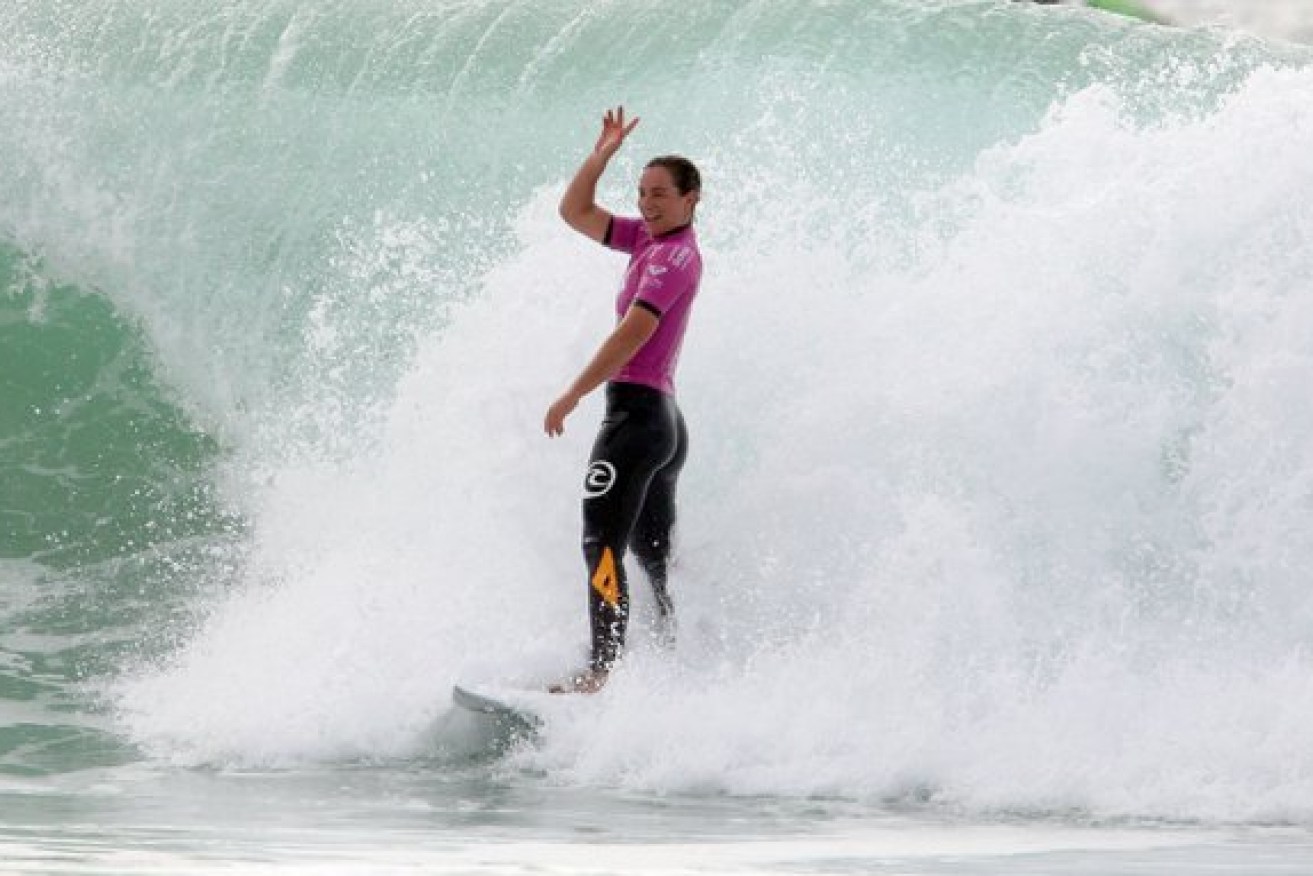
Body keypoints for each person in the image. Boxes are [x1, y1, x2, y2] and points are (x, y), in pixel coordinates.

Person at [544, 107, 703, 694]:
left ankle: (603, 671)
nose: (648, 203)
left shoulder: (674, 259)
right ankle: (674, 659)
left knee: (601, 544)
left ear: (692, 199)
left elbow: (632, 333)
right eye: (641, 193)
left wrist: (573, 393)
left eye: (660, 194)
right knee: (651, 553)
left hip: (635, 421)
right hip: (662, 423)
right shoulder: (647, 240)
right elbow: (575, 213)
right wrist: (602, 154)